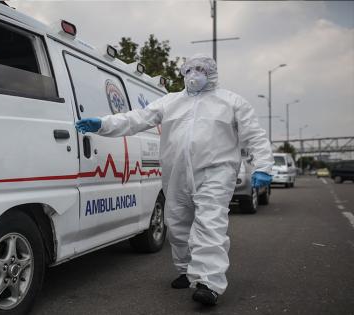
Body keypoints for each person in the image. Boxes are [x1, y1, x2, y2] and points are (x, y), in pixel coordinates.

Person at [75, 54, 273, 306]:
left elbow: (254, 135)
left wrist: (263, 166)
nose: (194, 74)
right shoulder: (171, 102)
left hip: (216, 173)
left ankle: (209, 283)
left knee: (210, 225)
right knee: (177, 224)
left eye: (200, 69)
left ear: (211, 72)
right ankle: (185, 270)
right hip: (175, 173)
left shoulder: (232, 102)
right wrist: (102, 124)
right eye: (189, 69)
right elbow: (136, 119)